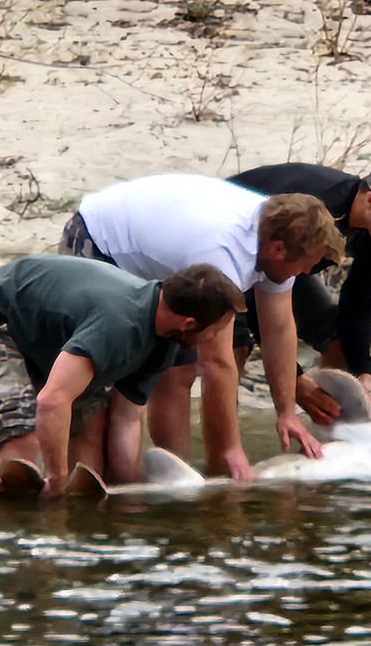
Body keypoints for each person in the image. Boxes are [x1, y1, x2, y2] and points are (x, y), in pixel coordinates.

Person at [60, 173, 346, 480]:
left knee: (179, 368)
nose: (307, 271)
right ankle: (84, 483)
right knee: (97, 396)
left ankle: (175, 473)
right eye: (306, 264)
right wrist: (231, 450)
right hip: (99, 238)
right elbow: (217, 362)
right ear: (277, 249)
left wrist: (287, 412)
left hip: (164, 253)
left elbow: (278, 330)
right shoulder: (223, 255)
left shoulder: (282, 237)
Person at [0, 256, 246, 498]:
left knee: (91, 428)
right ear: (189, 324)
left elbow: (127, 419)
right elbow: (52, 401)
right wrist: (58, 477)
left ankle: (77, 525)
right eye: (216, 331)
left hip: (51, 334)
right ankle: (0, 522)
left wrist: (128, 496)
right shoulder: (119, 325)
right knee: (25, 439)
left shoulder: (164, 340)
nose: (215, 339)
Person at [228, 159, 371, 427]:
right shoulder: (317, 207)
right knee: (235, 345)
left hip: (285, 269)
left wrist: (363, 375)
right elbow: (260, 291)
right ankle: (224, 442)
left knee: (340, 344)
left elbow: (358, 302)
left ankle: (340, 434)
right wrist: (293, 379)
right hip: (232, 253)